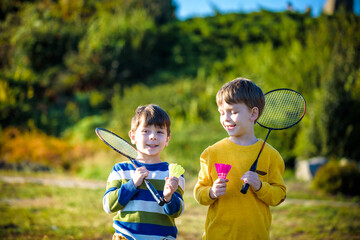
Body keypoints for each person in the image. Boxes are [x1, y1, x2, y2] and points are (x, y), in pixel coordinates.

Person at [194, 78, 286, 240]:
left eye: (233, 112)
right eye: (222, 113)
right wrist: (212, 192)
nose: (226, 118)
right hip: (217, 235)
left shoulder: (271, 155)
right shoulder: (211, 153)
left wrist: (260, 186)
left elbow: (279, 195)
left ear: (253, 113)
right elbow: (199, 193)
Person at [103, 104, 185, 240]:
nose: (153, 136)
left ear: (167, 139)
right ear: (133, 136)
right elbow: (108, 205)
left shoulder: (172, 173)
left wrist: (169, 197)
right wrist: (132, 184)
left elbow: (177, 212)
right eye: (146, 131)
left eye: (159, 132)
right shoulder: (120, 170)